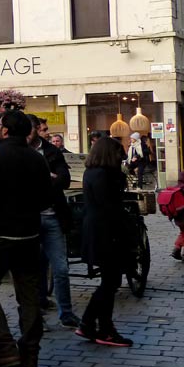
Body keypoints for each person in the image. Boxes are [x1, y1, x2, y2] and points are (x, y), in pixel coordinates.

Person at [0, 109, 53, 367]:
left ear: (6, 130)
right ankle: (30, 355)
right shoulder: (36, 158)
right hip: (30, 235)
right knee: (29, 295)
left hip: (1, 236)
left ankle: (4, 348)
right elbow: (44, 199)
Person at [77, 136, 133, 347]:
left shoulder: (93, 172)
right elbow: (109, 207)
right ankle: (99, 326)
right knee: (110, 282)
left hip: (99, 231)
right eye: (119, 155)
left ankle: (93, 324)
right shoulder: (103, 175)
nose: (121, 159)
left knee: (109, 281)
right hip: (106, 233)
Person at [27, 114, 80, 329]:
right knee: (33, 267)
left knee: (60, 267)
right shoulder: (19, 152)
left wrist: (48, 181)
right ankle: (35, 311)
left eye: (34, 129)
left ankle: (66, 313)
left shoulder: (51, 150)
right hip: (28, 219)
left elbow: (64, 179)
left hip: (53, 215)